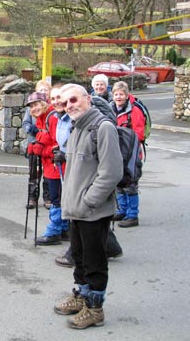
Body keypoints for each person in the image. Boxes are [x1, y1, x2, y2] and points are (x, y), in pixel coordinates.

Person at [53, 83, 122, 329]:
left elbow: (111, 172)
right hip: (76, 210)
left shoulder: (102, 128)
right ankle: (81, 297)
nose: (69, 105)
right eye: (64, 102)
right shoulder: (76, 128)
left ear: (88, 99)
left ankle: (95, 309)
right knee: (80, 258)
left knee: (94, 262)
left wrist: (89, 200)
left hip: (92, 210)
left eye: (74, 100)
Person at [26, 91, 68, 245]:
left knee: (56, 198)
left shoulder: (52, 119)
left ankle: (54, 232)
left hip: (57, 166)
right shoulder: (40, 120)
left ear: (44, 103)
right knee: (58, 197)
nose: (34, 108)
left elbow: (60, 146)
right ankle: (64, 228)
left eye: (36, 104)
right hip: (50, 166)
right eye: (31, 106)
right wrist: (35, 145)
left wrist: (40, 150)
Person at [110, 81, 145, 228]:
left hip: (132, 152)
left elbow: (139, 133)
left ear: (126, 95)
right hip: (117, 151)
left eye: (121, 94)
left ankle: (132, 215)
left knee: (131, 183)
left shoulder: (134, 110)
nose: (118, 97)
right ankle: (122, 210)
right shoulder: (111, 108)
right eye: (116, 94)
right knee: (119, 181)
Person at [22, 80, 52, 209]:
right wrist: (32, 130)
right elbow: (25, 124)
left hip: (47, 146)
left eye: (46, 90)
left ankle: (48, 198)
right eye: (41, 90)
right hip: (34, 143)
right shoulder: (32, 109)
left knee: (48, 174)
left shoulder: (52, 110)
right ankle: (32, 198)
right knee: (34, 173)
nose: (43, 92)